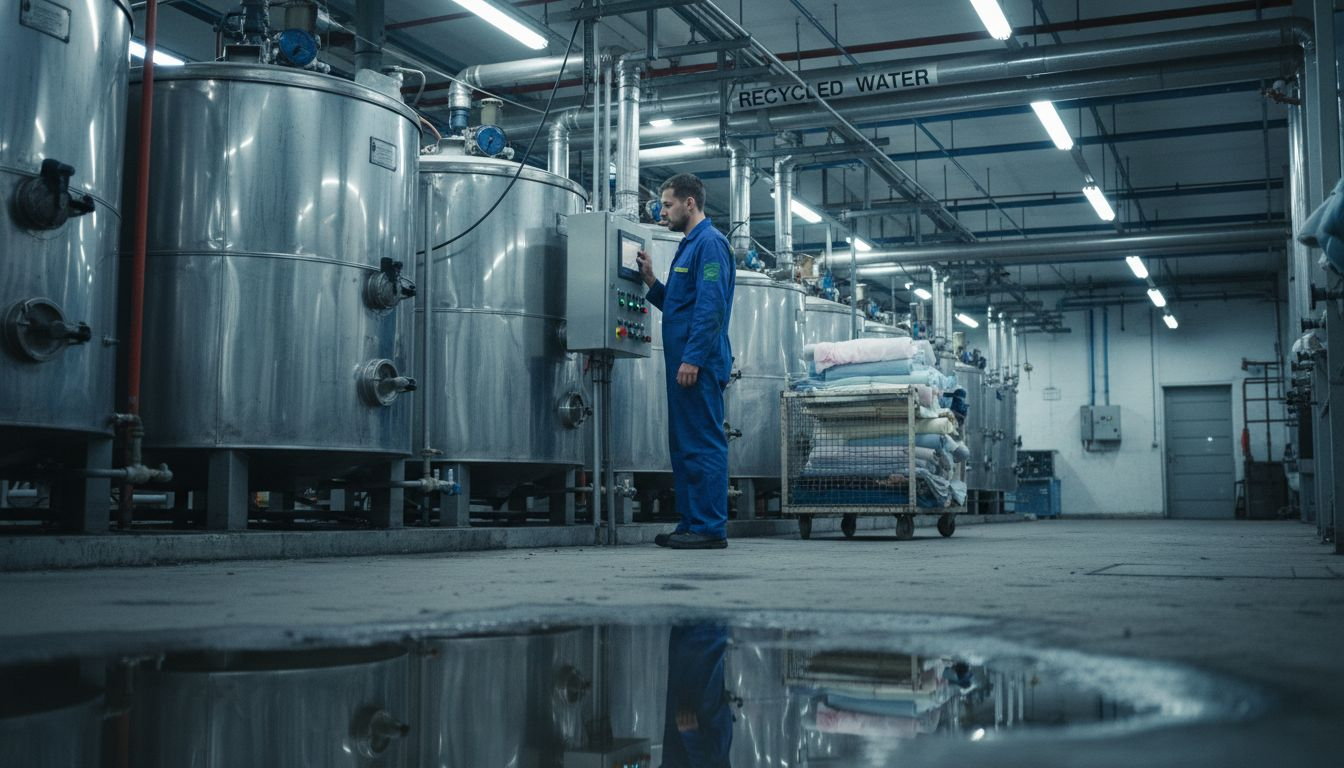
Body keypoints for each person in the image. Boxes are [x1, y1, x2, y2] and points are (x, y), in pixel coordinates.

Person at [636, 174, 735, 550]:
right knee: (685, 444)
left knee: (703, 442)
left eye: (667, 204)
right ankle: (692, 522)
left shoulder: (709, 244)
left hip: (699, 363)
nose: (662, 212)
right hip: (684, 363)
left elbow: (711, 306)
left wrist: (693, 358)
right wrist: (651, 281)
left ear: (689, 203)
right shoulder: (690, 245)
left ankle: (710, 527)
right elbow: (681, 307)